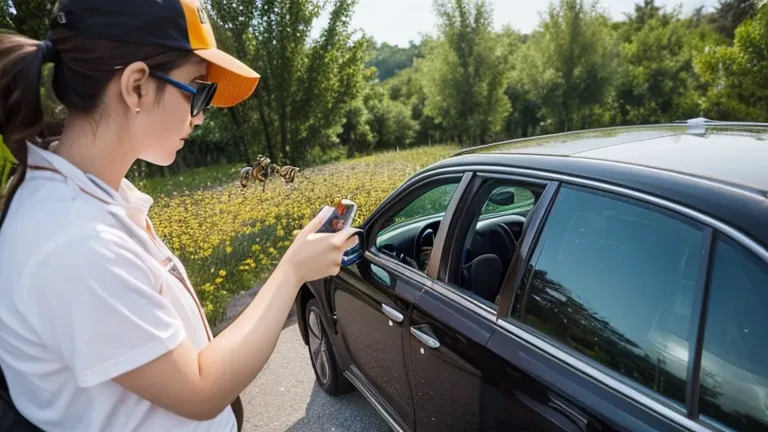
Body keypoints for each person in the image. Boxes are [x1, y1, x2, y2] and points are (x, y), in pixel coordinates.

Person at [0, 1, 359, 431]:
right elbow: (201, 391)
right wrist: (292, 271)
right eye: (197, 89)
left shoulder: (91, 199)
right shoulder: (75, 238)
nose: (202, 115)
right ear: (136, 86)